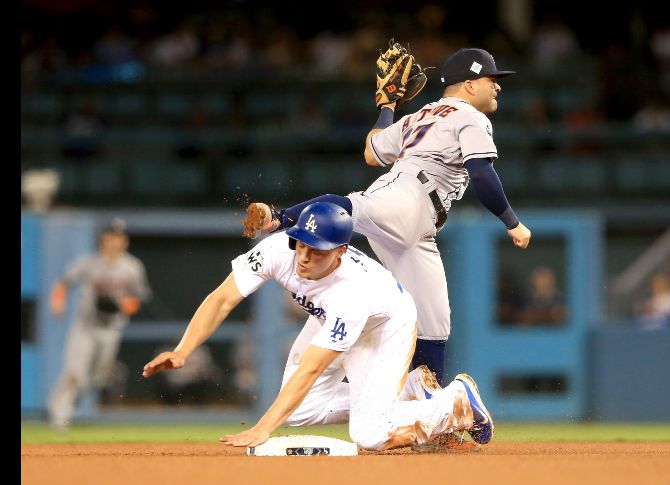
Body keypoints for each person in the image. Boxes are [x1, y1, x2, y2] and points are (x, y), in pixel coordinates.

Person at [243, 46, 531, 385]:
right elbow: (481, 174)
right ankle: (279, 218)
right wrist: (512, 222)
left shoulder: (420, 115)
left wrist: (388, 106)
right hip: (408, 197)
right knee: (351, 207)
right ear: (469, 84)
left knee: (434, 326)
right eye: (490, 79)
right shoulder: (470, 117)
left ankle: (426, 407)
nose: (497, 86)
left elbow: (372, 151)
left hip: (418, 226)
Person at [143, 202, 493, 451]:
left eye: (318, 250)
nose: (305, 256)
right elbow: (222, 298)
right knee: (298, 411)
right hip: (331, 317)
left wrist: (264, 428)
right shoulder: (278, 250)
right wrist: (183, 350)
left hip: (384, 326)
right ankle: (410, 391)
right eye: (301, 243)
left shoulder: (351, 292)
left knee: (369, 434)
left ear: (341, 251)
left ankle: (455, 402)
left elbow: (311, 368)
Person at [47, 218, 152, 429]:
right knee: (75, 372)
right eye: (110, 236)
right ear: (102, 239)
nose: (114, 241)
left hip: (111, 328)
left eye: (118, 237)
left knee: (97, 379)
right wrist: (58, 302)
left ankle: (65, 399)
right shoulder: (88, 263)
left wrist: (124, 306)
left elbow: (138, 298)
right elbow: (63, 283)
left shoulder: (132, 267)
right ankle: (59, 416)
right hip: (86, 326)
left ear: (125, 241)